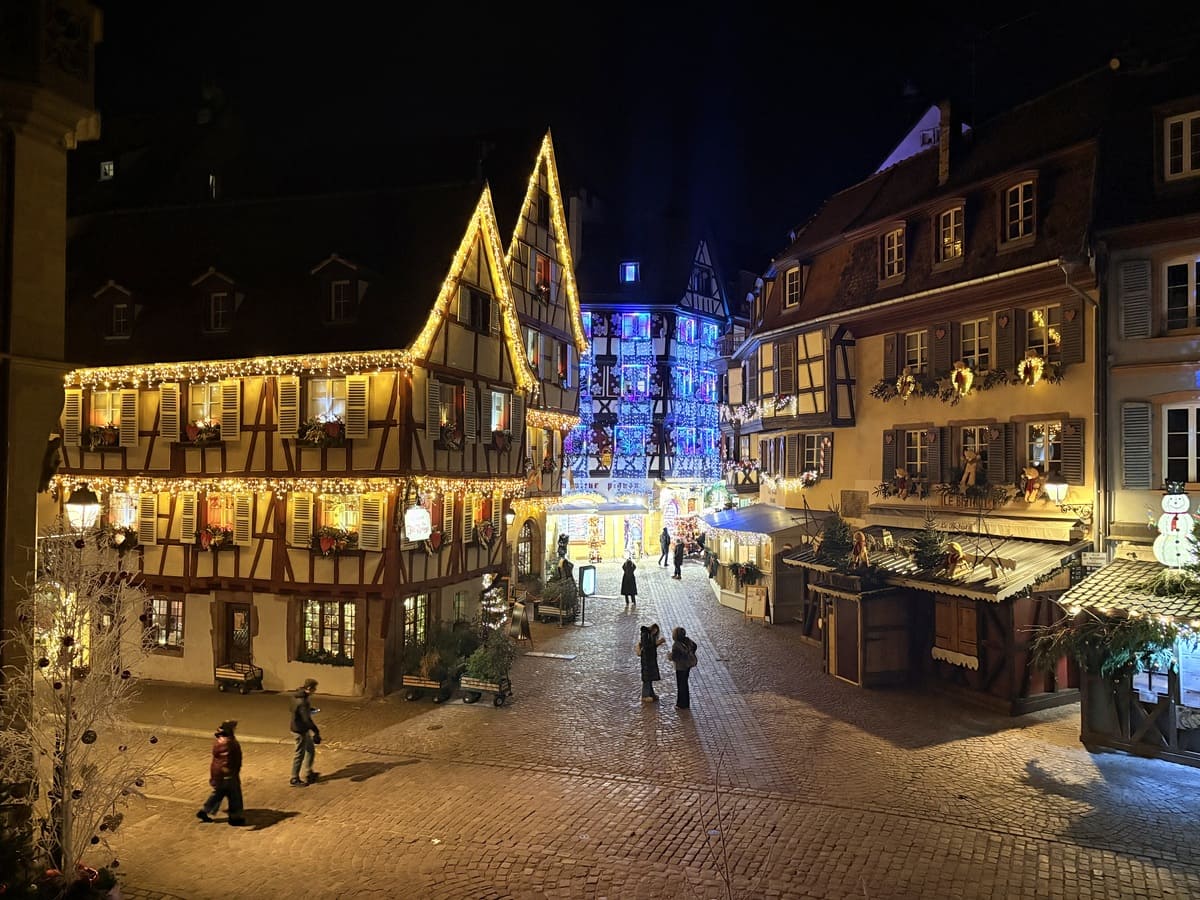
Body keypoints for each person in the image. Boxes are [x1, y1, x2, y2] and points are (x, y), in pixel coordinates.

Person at [197, 719, 244, 825]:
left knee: (218, 793)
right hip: (227, 774)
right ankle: (235, 818)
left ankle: (205, 811)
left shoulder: (223, 739)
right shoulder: (227, 742)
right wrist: (229, 773)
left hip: (221, 773)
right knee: (234, 795)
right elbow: (226, 760)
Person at [289, 678, 321, 786]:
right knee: (300, 754)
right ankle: (294, 778)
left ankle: (309, 772)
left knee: (310, 750)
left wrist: (309, 710)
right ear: (309, 688)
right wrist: (316, 731)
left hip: (299, 727)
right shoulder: (303, 701)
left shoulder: (296, 696)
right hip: (300, 730)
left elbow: (294, 709)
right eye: (314, 689)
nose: (315, 691)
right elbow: (306, 720)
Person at [670, 626, 698, 709]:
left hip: (680, 667)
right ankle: (686, 703)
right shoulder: (688, 640)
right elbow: (695, 646)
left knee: (681, 685)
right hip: (687, 666)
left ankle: (681, 704)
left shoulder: (676, 645)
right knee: (685, 684)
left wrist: (670, 656)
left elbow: (674, 657)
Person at [635, 625, 663, 702]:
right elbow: (647, 647)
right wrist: (657, 643)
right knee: (647, 678)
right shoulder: (646, 636)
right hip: (647, 660)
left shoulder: (649, 636)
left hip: (650, 660)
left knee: (649, 677)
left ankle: (650, 693)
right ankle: (645, 695)